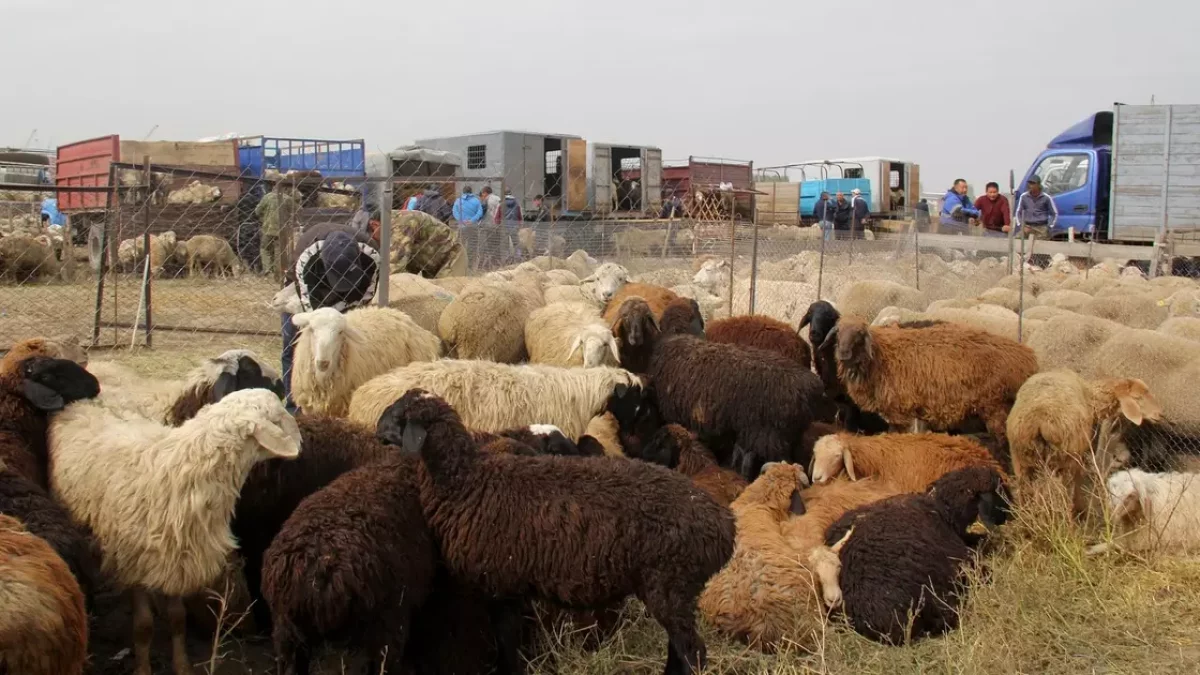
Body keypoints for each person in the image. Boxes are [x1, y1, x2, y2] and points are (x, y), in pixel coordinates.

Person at [280, 223, 381, 412]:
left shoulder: (372, 255)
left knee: (342, 344)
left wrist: (346, 320)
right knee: (292, 340)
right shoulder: (306, 258)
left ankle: (343, 399)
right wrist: (321, 322)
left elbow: (367, 294)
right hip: (310, 291)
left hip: (354, 290)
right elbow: (307, 304)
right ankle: (296, 406)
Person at [391, 209, 469, 278]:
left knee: (447, 292)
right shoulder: (387, 224)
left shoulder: (404, 222)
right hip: (427, 264)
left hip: (452, 256)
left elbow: (394, 268)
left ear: (378, 224)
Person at [255, 180, 300, 281]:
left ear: (273, 188)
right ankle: (279, 273)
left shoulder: (267, 197)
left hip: (268, 229)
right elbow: (298, 210)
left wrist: (264, 217)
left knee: (265, 249)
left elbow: (257, 211)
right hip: (283, 231)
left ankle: (267, 270)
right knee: (280, 252)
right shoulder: (287, 199)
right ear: (284, 188)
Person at [1013, 175, 1058, 241]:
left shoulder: (1046, 198)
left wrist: (1049, 226)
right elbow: (1018, 212)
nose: (1030, 185)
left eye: (1033, 183)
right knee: (1016, 241)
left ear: (1038, 185)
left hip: (1041, 227)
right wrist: (1022, 225)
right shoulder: (1024, 197)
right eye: (1029, 183)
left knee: (1041, 245)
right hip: (1027, 226)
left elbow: (1054, 213)